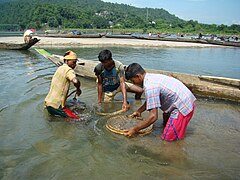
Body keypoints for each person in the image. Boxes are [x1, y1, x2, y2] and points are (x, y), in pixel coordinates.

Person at [124, 63, 196, 141]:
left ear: (138, 76)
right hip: (186, 99)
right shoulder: (150, 77)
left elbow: (153, 117)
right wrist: (139, 111)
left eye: (133, 81)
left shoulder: (150, 87)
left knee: (167, 140)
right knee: (166, 120)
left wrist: (135, 129)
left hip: (182, 107)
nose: (134, 83)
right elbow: (151, 99)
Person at [44, 50, 82, 118]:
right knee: (80, 119)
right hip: (57, 106)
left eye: (75, 62)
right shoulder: (69, 70)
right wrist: (78, 89)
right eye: (73, 62)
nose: (75, 65)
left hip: (48, 103)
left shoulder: (60, 68)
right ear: (66, 61)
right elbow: (75, 81)